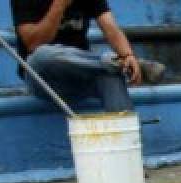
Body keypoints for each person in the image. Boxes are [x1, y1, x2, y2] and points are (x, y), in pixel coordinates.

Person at [10, 0, 165, 113]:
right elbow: (33, 43)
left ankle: (125, 149)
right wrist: (59, 5)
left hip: (80, 74)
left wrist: (127, 54)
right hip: (43, 80)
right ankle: (116, 64)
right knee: (42, 55)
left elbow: (110, 26)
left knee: (110, 76)